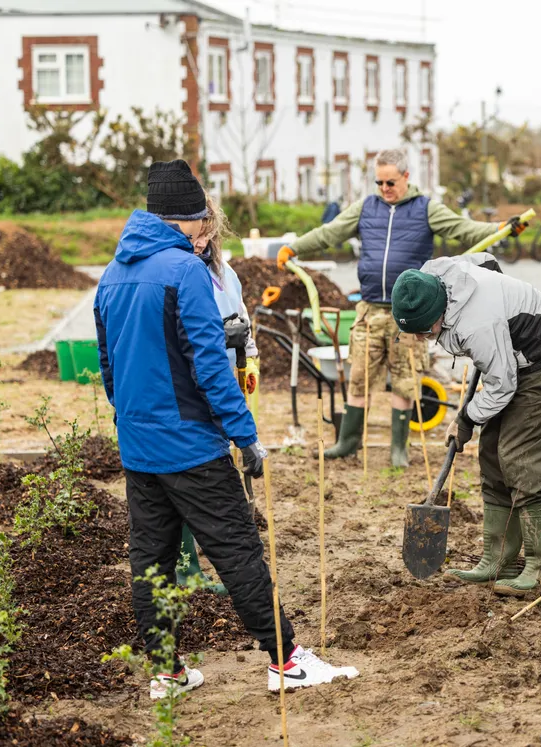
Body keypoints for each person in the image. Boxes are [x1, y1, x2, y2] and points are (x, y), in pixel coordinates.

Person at [95, 160, 357, 698]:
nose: (202, 232)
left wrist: (129, 422)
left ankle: (166, 673)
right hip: (191, 443)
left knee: (152, 560)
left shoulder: (112, 274)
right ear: (186, 219)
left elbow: (107, 365)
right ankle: (286, 661)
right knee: (237, 550)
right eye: (199, 221)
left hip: (140, 446)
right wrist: (245, 435)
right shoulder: (183, 270)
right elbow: (209, 363)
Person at [288, 148, 518, 467]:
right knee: (359, 376)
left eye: (390, 182)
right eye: (379, 182)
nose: (384, 189)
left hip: (408, 315)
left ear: (406, 177)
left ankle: (399, 448)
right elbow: (330, 233)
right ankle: (348, 441)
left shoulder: (426, 209)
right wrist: (294, 247)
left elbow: (462, 230)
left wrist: (500, 229)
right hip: (369, 309)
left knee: (406, 378)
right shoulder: (366, 208)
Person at [390, 253, 541, 595]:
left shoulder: (478, 325)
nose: (421, 339)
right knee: (491, 455)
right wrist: (501, 294)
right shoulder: (431, 277)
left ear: (439, 314)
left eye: (423, 332)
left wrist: (465, 420)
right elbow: (487, 260)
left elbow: (501, 385)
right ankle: (497, 559)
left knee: (520, 457)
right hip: (512, 360)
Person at [169, 193, 261, 596]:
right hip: (188, 390)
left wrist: (250, 361)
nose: (201, 241)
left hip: (223, 386)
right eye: (196, 233)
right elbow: (177, 334)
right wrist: (220, 335)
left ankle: (205, 559)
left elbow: (244, 323)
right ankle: (185, 567)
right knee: (190, 479)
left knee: (215, 470)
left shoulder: (227, 274)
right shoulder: (173, 273)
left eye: (208, 233)